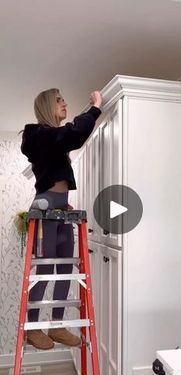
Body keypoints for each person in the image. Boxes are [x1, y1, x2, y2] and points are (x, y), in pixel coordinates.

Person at [21, 88, 102, 350]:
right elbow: (72, 134)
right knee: (44, 270)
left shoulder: (54, 138)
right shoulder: (36, 134)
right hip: (45, 205)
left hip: (62, 207)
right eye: (59, 100)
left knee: (67, 267)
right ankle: (32, 330)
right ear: (47, 105)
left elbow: (66, 135)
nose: (64, 102)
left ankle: (56, 326)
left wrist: (85, 114)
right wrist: (94, 109)